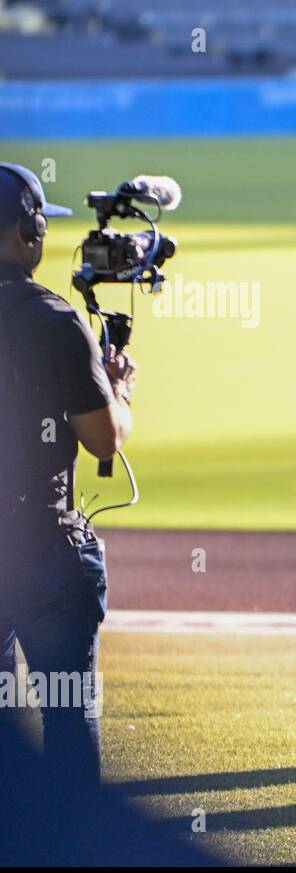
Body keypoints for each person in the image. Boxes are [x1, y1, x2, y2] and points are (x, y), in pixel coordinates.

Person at [0, 161, 137, 788]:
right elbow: (103, 437)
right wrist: (119, 390)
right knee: (66, 717)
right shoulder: (56, 323)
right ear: (29, 232)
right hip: (42, 549)